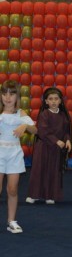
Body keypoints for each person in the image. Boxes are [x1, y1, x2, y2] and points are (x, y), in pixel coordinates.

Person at [0, 80, 37, 233]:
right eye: (4, 93)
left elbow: (35, 130)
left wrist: (25, 126)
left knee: (13, 189)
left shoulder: (20, 113)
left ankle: (11, 221)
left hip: (14, 154)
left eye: (12, 94)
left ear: (17, 96)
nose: (7, 97)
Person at [26, 87, 72, 205]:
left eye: (56, 99)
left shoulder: (63, 116)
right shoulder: (44, 115)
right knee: (39, 170)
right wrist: (56, 141)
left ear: (60, 101)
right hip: (43, 147)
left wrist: (67, 140)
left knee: (53, 171)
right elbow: (43, 131)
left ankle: (50, 195)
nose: (53, 101)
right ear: (46, 101)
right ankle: (34, 195)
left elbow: (66, 131)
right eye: (50, 99)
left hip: (55, 150)